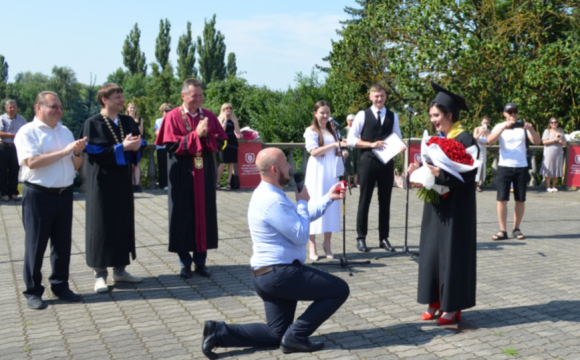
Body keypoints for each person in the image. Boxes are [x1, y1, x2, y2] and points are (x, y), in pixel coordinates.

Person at [201, 148, 349, 359]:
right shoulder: (272, 201)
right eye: (286, 164)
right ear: (274, 169)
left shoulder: (270, 193)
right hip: (280, 275)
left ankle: (218, 332)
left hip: (266, 275)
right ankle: (296, 337)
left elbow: (300, 218)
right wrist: (303, 202)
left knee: (275, 333)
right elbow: (300, 234)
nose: (290, 167)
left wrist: (328, 198)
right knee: (339, 290)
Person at [408, 83, 478, 325]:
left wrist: (442, 174)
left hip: (458, 205)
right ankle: (434, 300)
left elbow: (469, 173)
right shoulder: (436, 139)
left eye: (436, 115)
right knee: (431, 250)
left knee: (452, 253)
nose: (433, 121)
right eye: (431, 116)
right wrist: (419, 170)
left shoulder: (466, 138)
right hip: (436, 204)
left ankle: (453, 306)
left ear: (449, 114)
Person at [14, 91, 87, 309]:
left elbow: (75, 165)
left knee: (62, 244)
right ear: (38, 108)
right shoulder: (27, 131)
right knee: (36, 246)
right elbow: (32, 161)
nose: (59, 110)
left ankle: (60, 285)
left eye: (60, 107)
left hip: (64, 193)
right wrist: (65, 150)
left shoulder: (64, 131)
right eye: (53, 106)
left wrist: (76, 153)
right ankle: (33, 291)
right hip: (39, 194)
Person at [155, 78, 227, 279]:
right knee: (182, 216)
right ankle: (185, 262)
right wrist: (196, 135)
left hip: (204, 174)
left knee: (204, 216)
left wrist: (206, 136)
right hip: (182, 174)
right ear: (183, 96)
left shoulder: (210, 116)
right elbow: (170, 146)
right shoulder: (172, 117)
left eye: (201, 95)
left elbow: (221, 142)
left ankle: (201, 261)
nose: (198, 99)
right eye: (195, 95)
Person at [80, 84, 145, 293]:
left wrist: (136, 145)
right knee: (101, 226)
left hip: (122, 181)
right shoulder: (93, 123)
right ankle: (100, 274)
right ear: (104, 100)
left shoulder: (127, 121)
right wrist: (122, 148)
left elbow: (138, 144)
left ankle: (120, 271)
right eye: (117, 97)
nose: (121, 100)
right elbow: (95, 152)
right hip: (101, 183)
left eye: (122, 96)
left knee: (121, 222)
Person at [347, 84, 403, 252]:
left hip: (386, 162)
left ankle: (384, 238)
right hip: (368, 160)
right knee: (365, 199)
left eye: (382, 96)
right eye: (376, 96)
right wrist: (371, 144)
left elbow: (398, 137)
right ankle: (361, 237)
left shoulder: (393, 116)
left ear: (386, 97)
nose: (379, 99)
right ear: (370, 97)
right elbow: (351, 139)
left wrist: (399, 146)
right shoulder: (362, 115)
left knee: (385, 201)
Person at [487, 103, 541, 240]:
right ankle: (502, 230)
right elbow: (489, 141)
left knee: (520, 199)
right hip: (505, 166)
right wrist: (503, 128)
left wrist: (531, 129)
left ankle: (516, 228)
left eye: (515, 111)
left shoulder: (523, 126)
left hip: (521, 166)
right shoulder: (499, 126)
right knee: (502, 199)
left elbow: (537, 142)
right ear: (504, 113)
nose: (513, 114)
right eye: (510, 112)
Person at [303, 101, 347, 260]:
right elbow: (314, 152)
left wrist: (342, 151)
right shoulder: (311, 130)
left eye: (328, 112)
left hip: (331, 170)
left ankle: (327, 243)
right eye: (322, 112)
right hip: (317, 170)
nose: (325, 115)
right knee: (315, 203)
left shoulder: (332, 130)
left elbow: (336, 150)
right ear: (315, 113)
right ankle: (312, 245)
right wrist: (335, 144)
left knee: (331, 204)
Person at [0, 99, 27, 201]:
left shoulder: (21, 119)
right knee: (2, 171)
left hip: (16, 148)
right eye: (10, 107)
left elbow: (26, 132)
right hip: (4, 147)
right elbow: (1, 133)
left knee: (14, 170)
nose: (12, 109)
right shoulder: (2, 119)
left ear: (17, 108)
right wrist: (15, 135)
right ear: (6, 109)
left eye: (14, 107)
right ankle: (4, 193)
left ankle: (14, 192)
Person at [215, 103, 241, 190]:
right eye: (227, 108)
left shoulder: (234, 118)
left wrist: (235, 122)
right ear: (223, 109)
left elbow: (238, 132)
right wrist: (225, 120)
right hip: (223, 142)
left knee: (231, 163)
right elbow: (221, 131)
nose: (229, 110)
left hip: (232, 141)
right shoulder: (219, 118)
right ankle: (217, 182)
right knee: (222, 162)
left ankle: (229, 183)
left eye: (230, 108)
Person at [540, 117, 566, 192]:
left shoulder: (561, 131)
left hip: (559, 152)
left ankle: (554, 186)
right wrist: (554, 140)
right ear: (550, 124)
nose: (554, 123)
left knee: (557, 167)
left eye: (555, 122)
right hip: (549, 152)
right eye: (552, 122)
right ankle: (547, 186)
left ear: (557, 123)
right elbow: (544, 142)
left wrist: (561, 142)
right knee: (549, 167)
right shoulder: (547, 131)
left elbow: (565, 143)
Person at [154, 103, 173, 190]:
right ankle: (163, 184)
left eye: (170, 110)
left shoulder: (174, 120)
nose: (168, 112)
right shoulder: (158, 121)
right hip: (161, 146)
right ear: (162, 112)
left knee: (172, 166)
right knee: (162, 166)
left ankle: (172, 183)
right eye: (166, 111)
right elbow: (158, 133)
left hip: (172, 146)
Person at [127, 102, 143, 192]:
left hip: (137, 141)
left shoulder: (140, 119)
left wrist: (136, 122)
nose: (132, 109)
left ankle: (137, 184)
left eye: (134, 108)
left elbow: (141, 131)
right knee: (130, 164)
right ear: (128, 109)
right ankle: (131, 184)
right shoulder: (125, 119)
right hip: (128, 142)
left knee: (137, 164)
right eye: (131, 108)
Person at [341, 114, 361, 187]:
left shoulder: (357, 129)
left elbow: (360, 138)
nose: (351, 122)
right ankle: (348, 183)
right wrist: (350, 140)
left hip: (356, 149)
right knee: (348, 165)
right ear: (347, 121)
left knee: (356, 164)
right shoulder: (344, 130)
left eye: (353, 120)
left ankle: (355, 182)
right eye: (350, 120)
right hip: (348, 149)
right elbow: (341, 139)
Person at [473, 116, 491, 192]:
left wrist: (487, 134)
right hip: (477, 148)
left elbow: (490, 142)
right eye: (484, 122)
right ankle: (472, 183)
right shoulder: (477, 129)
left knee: (482, 165)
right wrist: (481, 132)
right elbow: (474, 138)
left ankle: (478, 184)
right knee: (476, 165)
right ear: (481, 122)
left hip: (483, 149)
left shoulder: (489, 131)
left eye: (487, 123)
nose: (485, 124)